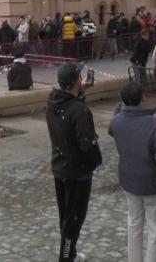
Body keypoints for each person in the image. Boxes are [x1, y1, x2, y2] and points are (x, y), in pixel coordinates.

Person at [108, 82, 156, 262]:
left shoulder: (117, 121)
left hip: (129, 181)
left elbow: (112, 129)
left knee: (134, 223)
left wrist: (119, 109)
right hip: (153, 183)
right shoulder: (154, 125)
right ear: (143, 97)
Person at [47, 63, 101, 262]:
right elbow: (87, 144)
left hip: (60, 168)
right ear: (77, 80)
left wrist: (79, 91)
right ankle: (66, 257)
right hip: (77, 172)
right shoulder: (79, 110)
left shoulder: (53, 102)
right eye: (79, 77)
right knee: (74, 219)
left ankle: (70, 254)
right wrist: (96, 160)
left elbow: (67, 103)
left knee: (66, 215)